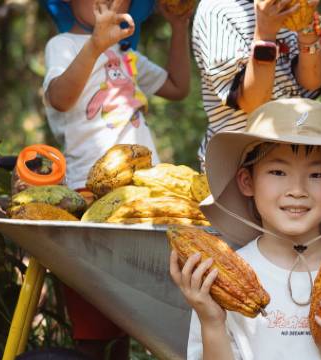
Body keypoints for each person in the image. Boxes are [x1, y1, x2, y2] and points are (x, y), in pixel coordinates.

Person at [170, 99, 321, 359]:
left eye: (317, 175)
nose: (297, 190)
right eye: (277, 172)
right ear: (246, 181)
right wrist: (212, 323)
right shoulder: (224, 278)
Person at [42, 0, 191, 358]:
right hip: (90, 192)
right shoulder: (63, 45)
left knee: (128, 310)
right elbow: (60, 98)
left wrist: (179, 27)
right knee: (94, 309)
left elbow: (177, 87)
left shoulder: (129, 54)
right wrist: (96, 45)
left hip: (143, 194)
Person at [191, 0, 321, 164]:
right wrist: (265, 34)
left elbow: (312, 82)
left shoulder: (285, 4)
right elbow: (253, 103)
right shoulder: (217, 11)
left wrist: (305, 23)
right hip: (240, 161)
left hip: (294, 153)